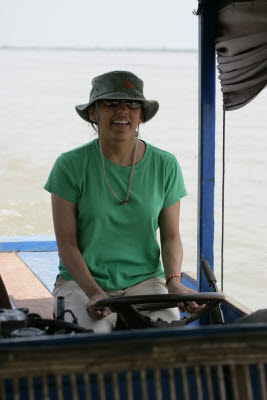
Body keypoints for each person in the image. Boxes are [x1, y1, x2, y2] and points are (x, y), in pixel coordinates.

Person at [44, 70, 202, 333]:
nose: (123, 111)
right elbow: (66, 243)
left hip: (146, 282)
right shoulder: (69, 165)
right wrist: (94, 292)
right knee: (91, 340)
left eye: (132, 104)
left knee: (170, 341)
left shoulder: (165, 164)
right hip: (82, 282)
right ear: (93, 113)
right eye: (111, 103)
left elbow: (171, 236)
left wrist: (173, 281)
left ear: (141, 116)